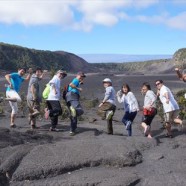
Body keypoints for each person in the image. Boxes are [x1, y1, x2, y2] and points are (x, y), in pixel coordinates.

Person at [66, 71, 86, 136]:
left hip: (69, 97)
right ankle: (73, 108)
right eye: (81, 76)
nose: (82, 77)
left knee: (73, 114)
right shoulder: (76, 80)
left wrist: (80, 83)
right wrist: (78, 88)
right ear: (77, 75)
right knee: (79, 110)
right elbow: (71, 84)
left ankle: (73, 130)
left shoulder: (77, 81)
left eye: (83, 77)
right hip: (73, 95)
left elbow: (72, 85)